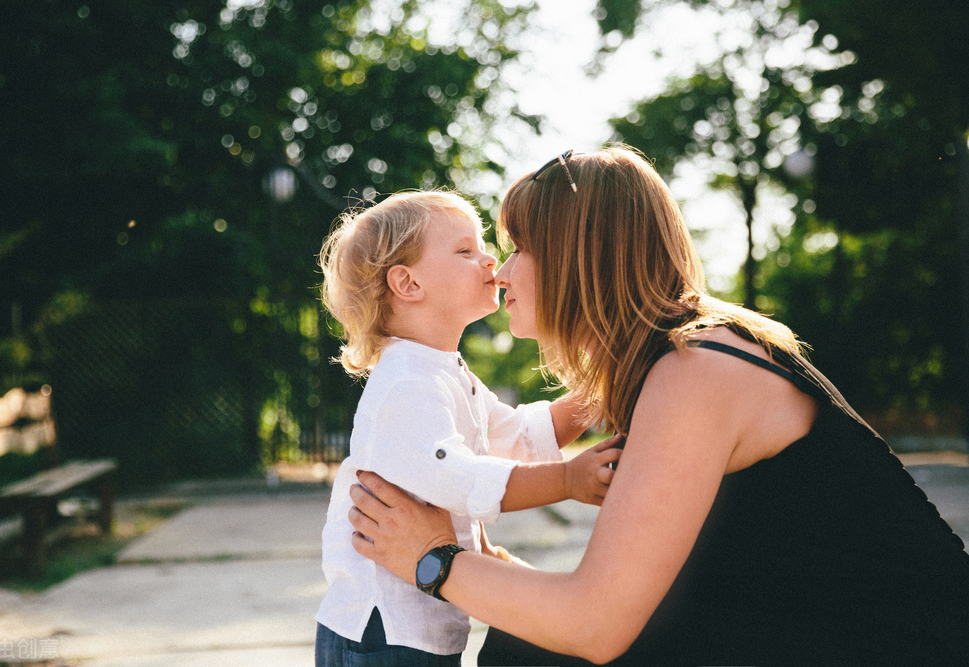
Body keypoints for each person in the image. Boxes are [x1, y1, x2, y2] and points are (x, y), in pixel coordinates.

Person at [345, 147, 969, 665]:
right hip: (815, 634)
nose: (500, 271)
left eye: (519, 248)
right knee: (527, 641)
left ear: (576, 257)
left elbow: (594, 624)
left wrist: (433, 561)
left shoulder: (695, 371)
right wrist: (483, 566)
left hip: (906, 647)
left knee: (531, 656)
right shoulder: (681, 355)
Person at [314, 190, 620, 666]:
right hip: (382, 633)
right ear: (408, 283)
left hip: (420, 624)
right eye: (465, 250)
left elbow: (518, 435)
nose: (490, 259)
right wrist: (567, 479)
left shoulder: (445, 371)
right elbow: (455, 477)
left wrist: (602, 384)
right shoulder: (407, 381)